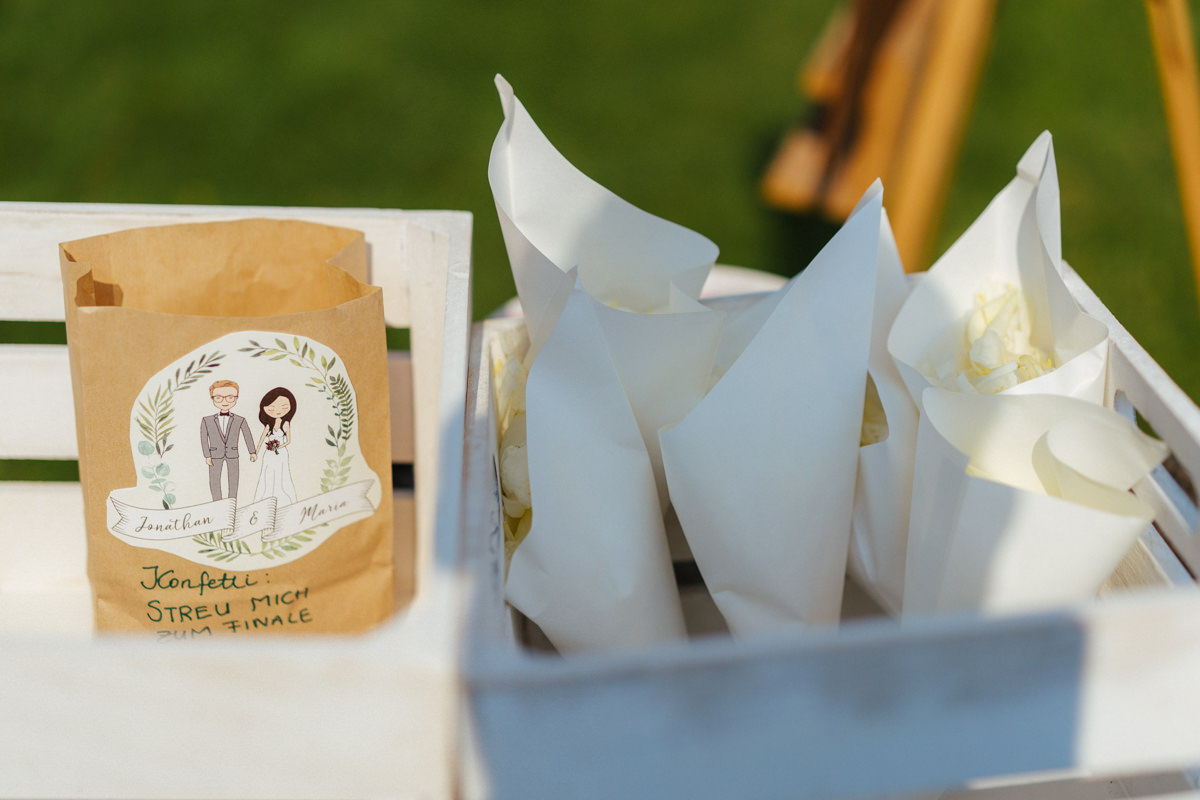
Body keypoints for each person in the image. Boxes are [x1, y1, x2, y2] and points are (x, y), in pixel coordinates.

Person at [200, 379, 256, 501]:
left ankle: (232, 504)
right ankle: (217, 504)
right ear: (212, 398)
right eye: (219, 397)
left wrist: (252, 452)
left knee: (233, 481)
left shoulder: (240, 419)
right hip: (214, 454)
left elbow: (247, 435)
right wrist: (207, 455)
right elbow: (204, 438)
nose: (224, 401)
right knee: (214, 480)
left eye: (230, 397)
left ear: (236, 398)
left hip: (233, 454)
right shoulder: (207, 420)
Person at [253, 387, 298, 506]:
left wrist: (279, 446)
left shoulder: (286, 423)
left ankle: (283, 501)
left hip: (281, 453)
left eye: (283, 407)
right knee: (267, 474)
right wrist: (255, 453)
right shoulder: (269, 424)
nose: (278, 410)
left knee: (281, 474)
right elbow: (261, 439)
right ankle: (265, 500)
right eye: (272, 408)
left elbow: (288, 440)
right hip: (269, 453)